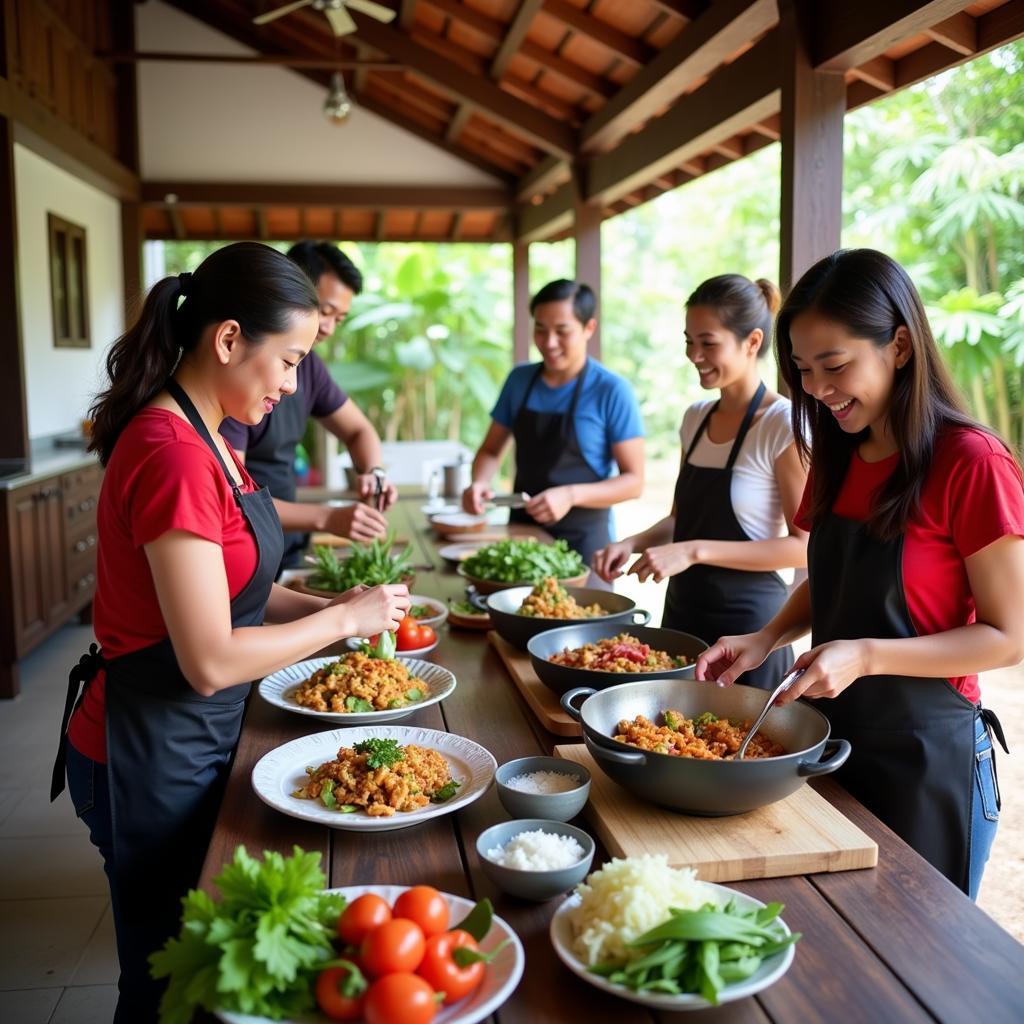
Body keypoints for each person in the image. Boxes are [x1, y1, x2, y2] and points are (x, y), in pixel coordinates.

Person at [50, 242, 410, 1022]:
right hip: (144, 745)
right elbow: (211, 657)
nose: (292, 385)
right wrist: (345, 616)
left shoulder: (211, 436)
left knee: (200, 963)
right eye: (287, 361)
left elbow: (241, 591)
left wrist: (327, 614)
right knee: (165, 978)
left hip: (194, 735)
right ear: (227, 339)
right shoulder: (172, 449)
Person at [696, 249, 1024, 897]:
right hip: (833, 742)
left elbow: (1009, 636)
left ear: (899, 345)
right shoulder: (840, 453)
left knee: (921, 970)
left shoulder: (972, 462)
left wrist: (867, 656)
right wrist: (766, 637)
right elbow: (836, 578)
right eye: (803, 369)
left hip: (928, 758)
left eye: (835, 365)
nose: (817, 389)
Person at [593, 275, 808, 690]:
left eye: (708, 343)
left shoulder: (781, 424)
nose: (694, 354)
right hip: (682, 618)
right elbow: (681, 519)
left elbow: (803, 547)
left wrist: (692, 551)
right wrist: (630, 543)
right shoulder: (695, 417)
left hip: (750, 632)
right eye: (688, 341)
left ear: (751, 342)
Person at [220, 241, 398, 573]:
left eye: (339, 318)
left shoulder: (311, 367)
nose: (328, 326)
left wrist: (374, 473)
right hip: (242, 546)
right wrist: (328, 517)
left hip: (285, 544)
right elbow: (236, 499)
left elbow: (359, 430)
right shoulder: (238, 380)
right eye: (325, 310)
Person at [462, 279, 645, 568]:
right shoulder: (519, 380)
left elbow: (634, 481)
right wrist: (479, 483)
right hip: (521, 539)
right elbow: (490, 451)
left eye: (562, 331)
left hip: (585, 545)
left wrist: (571, 495)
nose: (549, 343)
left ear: (589, 329)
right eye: (540, 329)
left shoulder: (611, 390)